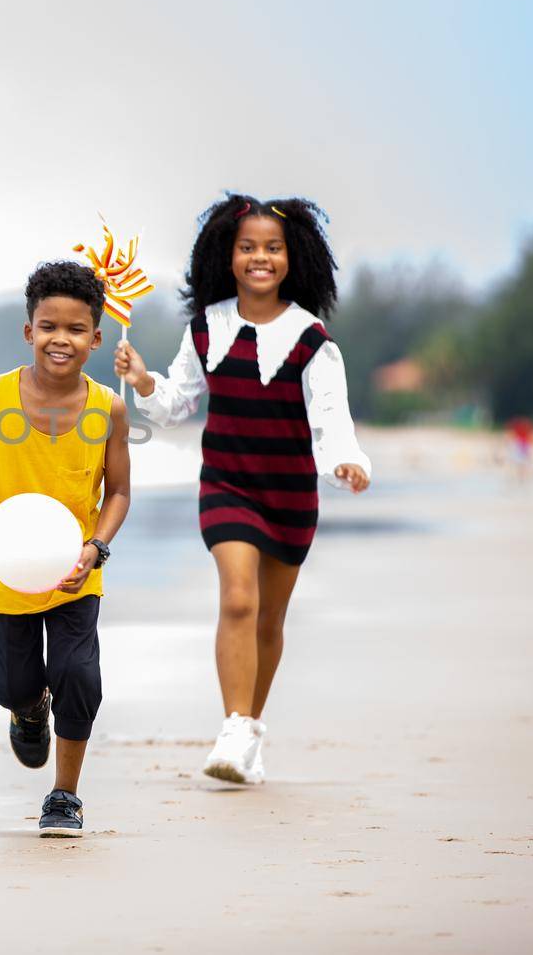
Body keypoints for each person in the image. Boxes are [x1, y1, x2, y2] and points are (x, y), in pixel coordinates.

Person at [113, 195, 370, 785]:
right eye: (248, 247)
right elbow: (176, 402)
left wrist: (347, 463)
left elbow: (330, 415)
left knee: (269, 624)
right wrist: (142, 379)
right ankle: (234, 724)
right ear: (226, 256)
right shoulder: (207, 327)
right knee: (237, 599)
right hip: (227, 484)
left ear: (292, 256)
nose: (260, 257)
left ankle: (250, 730)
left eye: (272, 248)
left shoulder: (312, 338)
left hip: (290, 494)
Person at [0, 260, 132, 836]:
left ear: (97, 338)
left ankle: (65, 795)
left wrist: (97, 548)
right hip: (6, 570)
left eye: (76, 329)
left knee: (79, 675)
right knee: (9, 683)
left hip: (76, 571)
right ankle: (28, 710)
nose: (62, 339)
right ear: (28, 330)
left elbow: (120, 490)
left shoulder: (109, 407)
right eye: (49, 326)